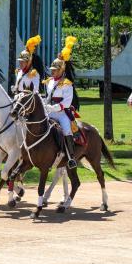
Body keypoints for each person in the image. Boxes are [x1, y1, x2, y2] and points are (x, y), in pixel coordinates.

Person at [44, 36, 84, 169]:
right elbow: (48, 96)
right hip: (49, 110)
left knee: (67, 130)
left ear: (61, 70)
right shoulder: (49, 81)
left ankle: (71, 157)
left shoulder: (67, 84)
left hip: (61, 112)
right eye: (52, 70)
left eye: (55, 70)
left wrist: (53, 108)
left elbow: (66, 103)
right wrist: (44, 104)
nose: (52, 72)